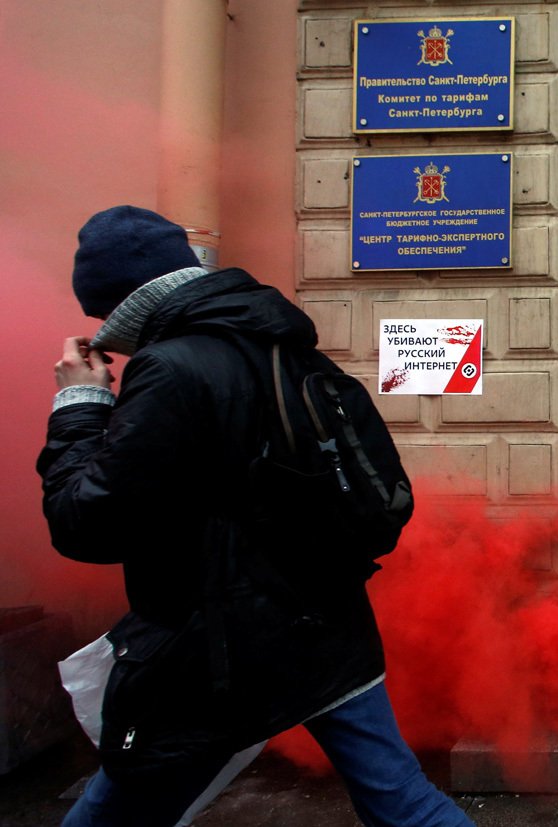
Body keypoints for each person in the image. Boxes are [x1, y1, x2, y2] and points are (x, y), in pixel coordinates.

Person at [39, 205, 473, 827]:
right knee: (402, 800)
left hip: (218, 649)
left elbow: (86, 523)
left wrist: (78, 405)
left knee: (117, 809)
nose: (103, 329)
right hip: (326, 621)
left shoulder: (168, 369)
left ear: (124, 300)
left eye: (102, 313)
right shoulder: (281, 342)